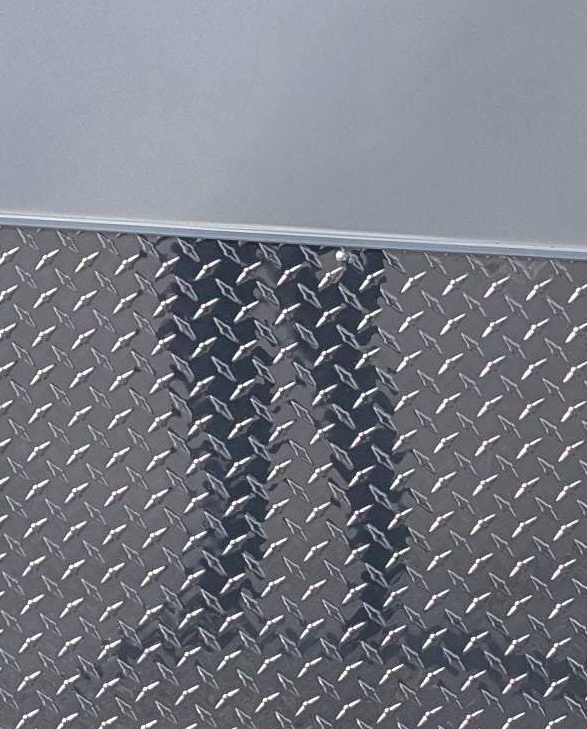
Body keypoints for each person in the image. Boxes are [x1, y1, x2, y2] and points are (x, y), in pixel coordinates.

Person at [153, 236, 408, 640]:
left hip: (315, 209)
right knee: (227, 397)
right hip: (211, 220)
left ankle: (379, 566)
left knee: (335, 373)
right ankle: (222, 583)